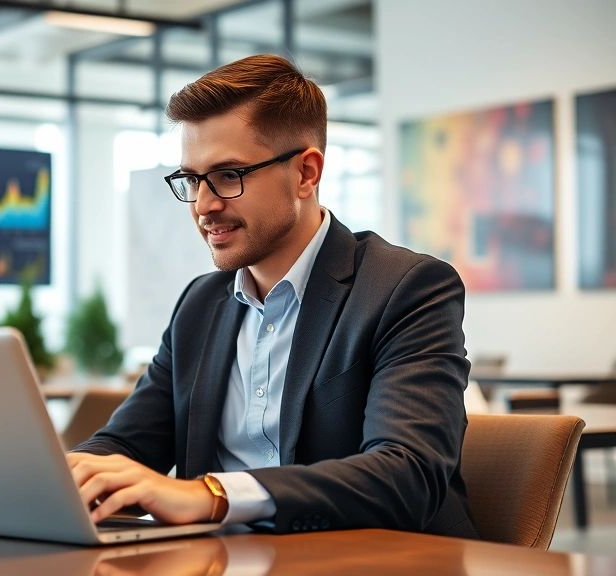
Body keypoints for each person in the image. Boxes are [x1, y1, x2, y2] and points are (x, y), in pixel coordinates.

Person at [67, 54, 478, 538]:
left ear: (306, 173)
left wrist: (212, 495)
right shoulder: (199, 305)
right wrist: (56, 479)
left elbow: (407, 475)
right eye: (192, 180)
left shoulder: (406, 288)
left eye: (227, 175)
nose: (203, 205)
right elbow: (126, 444)